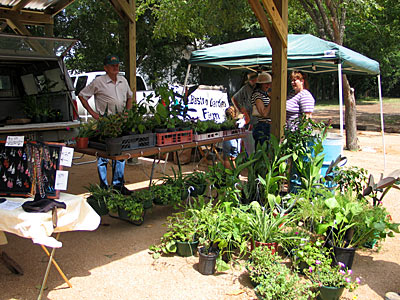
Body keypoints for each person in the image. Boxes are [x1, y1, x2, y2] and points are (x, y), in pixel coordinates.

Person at [78, 54, 133, 194]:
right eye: (112, 65)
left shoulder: (123, 80)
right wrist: (93, 113)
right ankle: (104, 186)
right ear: (105, 68)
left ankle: (118, 185)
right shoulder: (99, 81)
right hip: (105, 122)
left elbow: (130, 97)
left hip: (119, 122)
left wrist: (127, 112)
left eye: (117, 65)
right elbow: (82, 95)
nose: (116, 67)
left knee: (119, 154)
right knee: (103, 154)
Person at [231, 72, 258, 155]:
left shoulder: (260, 87)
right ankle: (245, 157)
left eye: (255, 79)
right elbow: (234, 99)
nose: (253, 81)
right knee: (247, 139)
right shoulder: (245, 88)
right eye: (251, 80)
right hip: (250, 118)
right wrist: (242, 111)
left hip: (259, 117)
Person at [250, 72, 272, 147]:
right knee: (262, 152)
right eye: (266, 83)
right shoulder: (257, 95)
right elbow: (264, 113)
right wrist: (272, 100)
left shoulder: (265, 94)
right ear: (260, 84)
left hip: (266, 126)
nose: (268, 86)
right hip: (262, 126)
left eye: (269, 83)